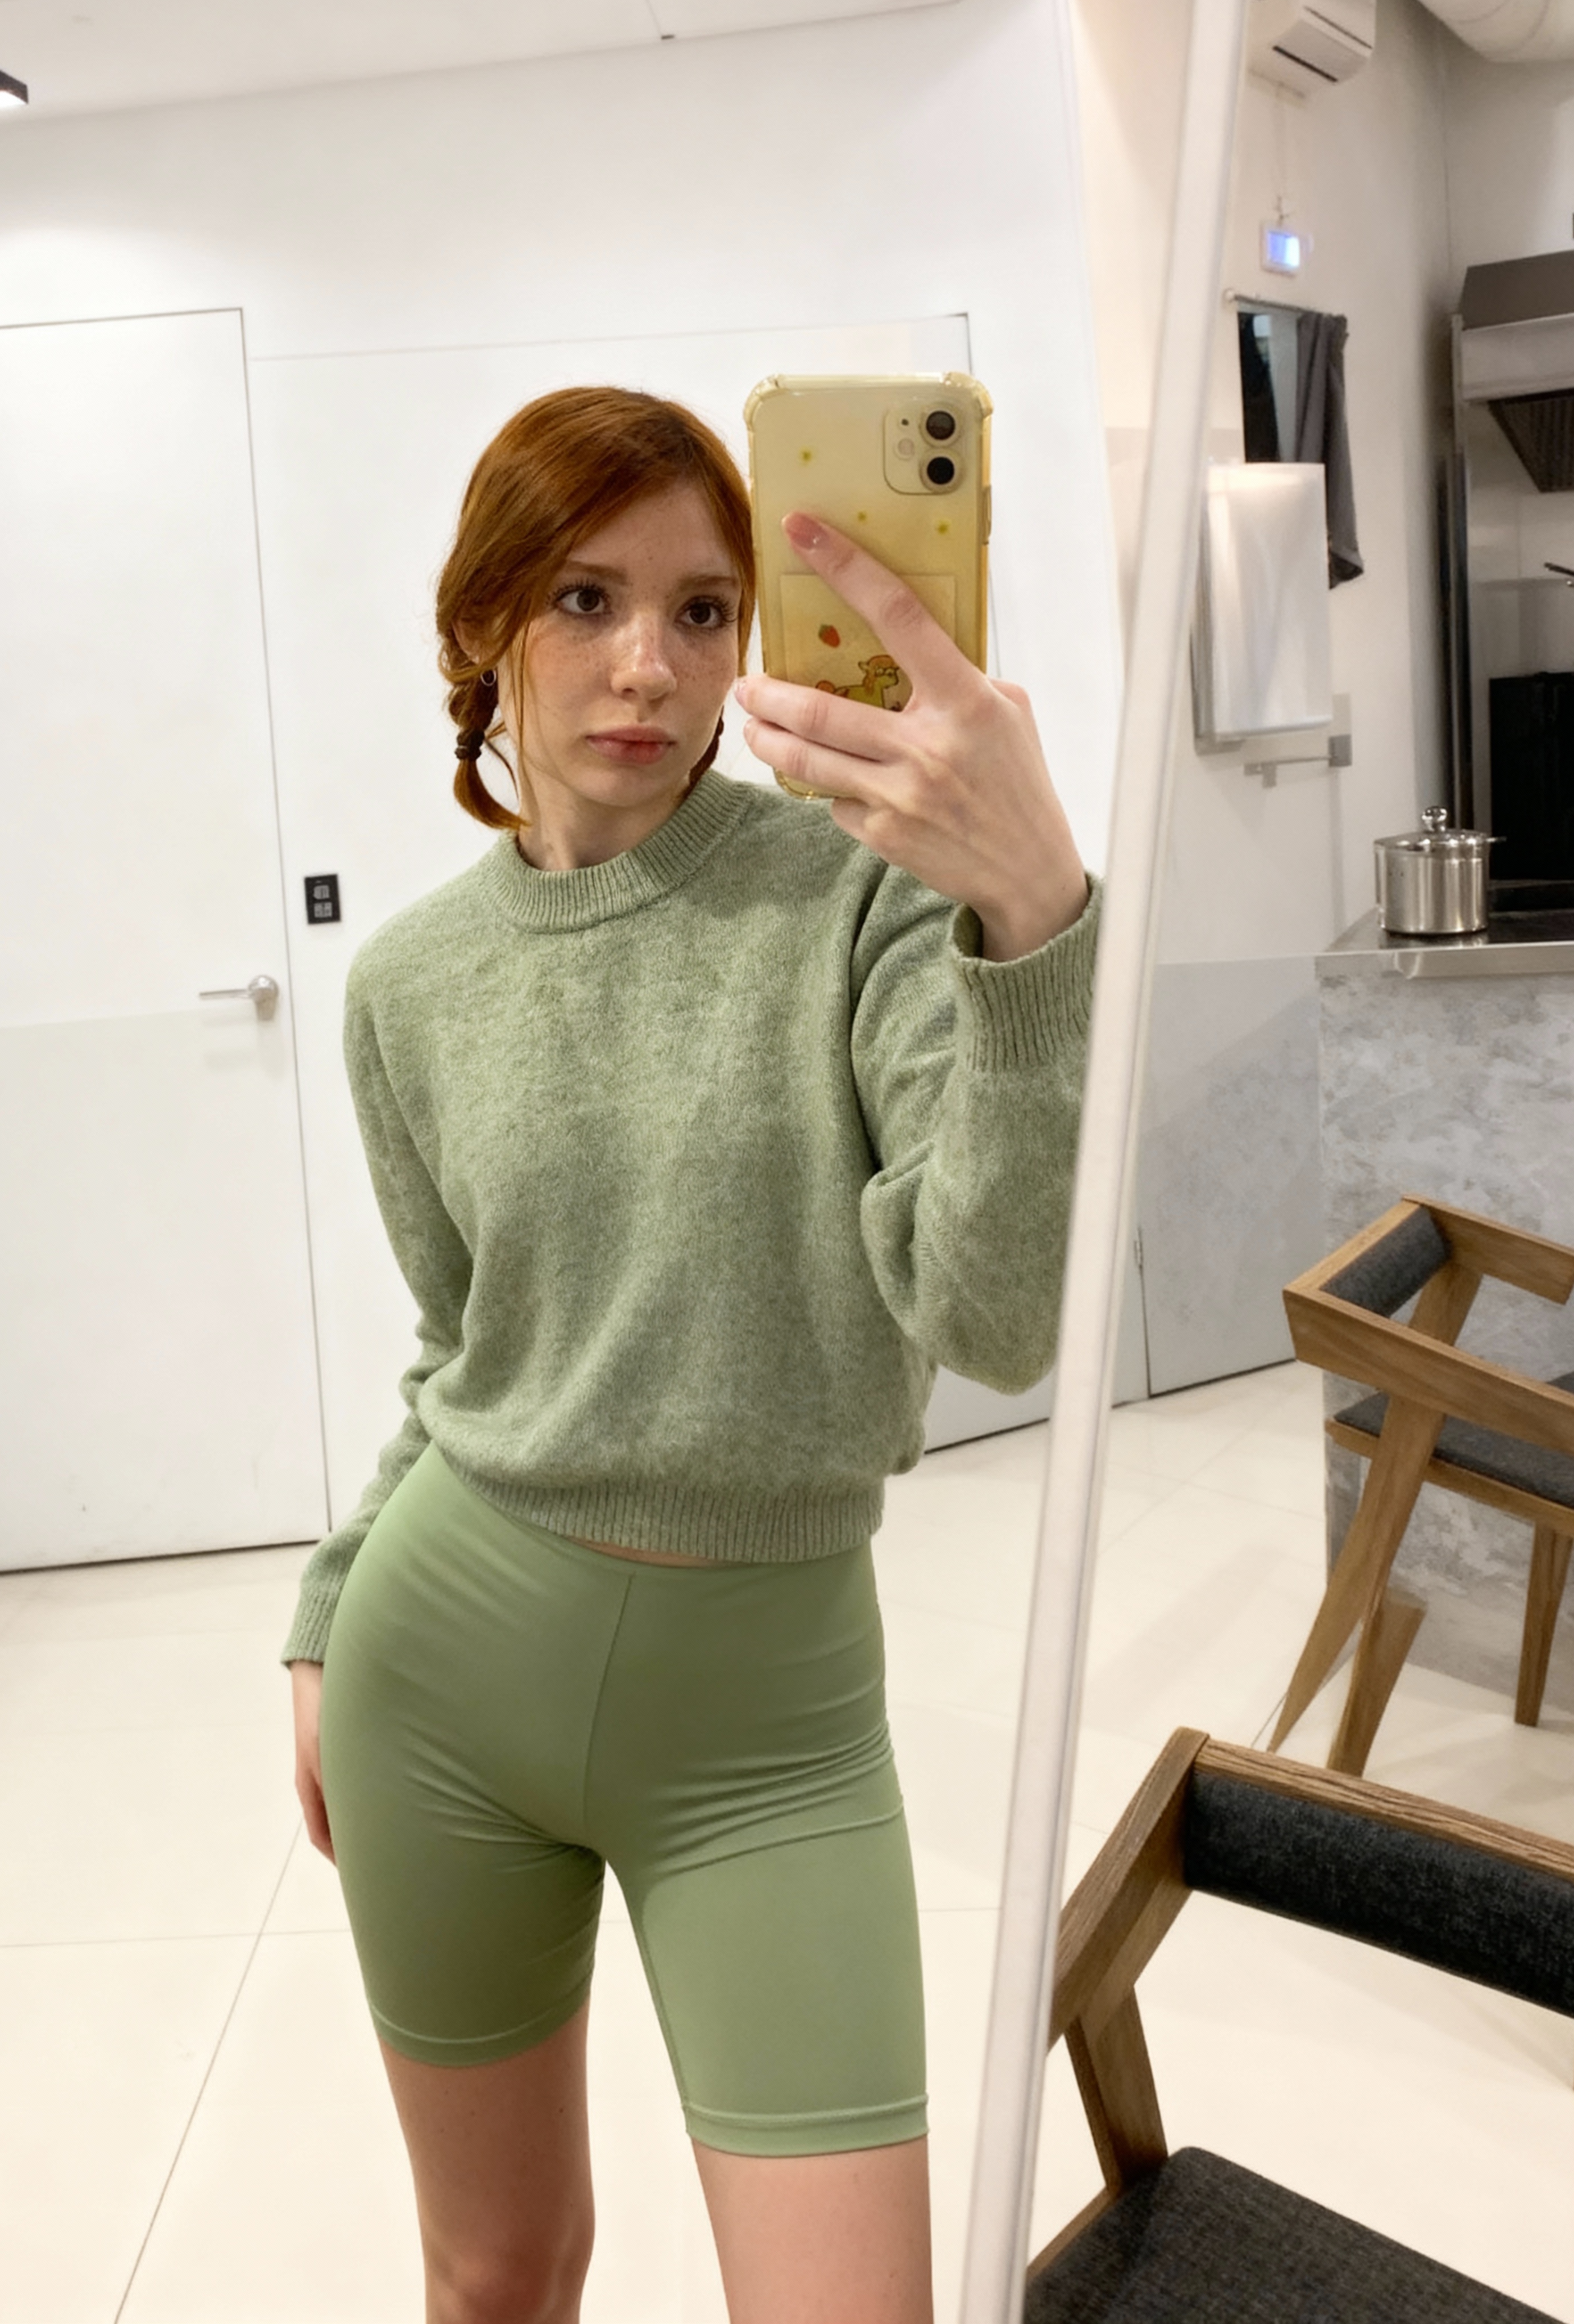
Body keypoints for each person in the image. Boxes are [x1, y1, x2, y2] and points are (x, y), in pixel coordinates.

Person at [284, 384, 1095, 2324]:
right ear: (486, 622)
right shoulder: (407, 988)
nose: (648, 665)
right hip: (439, 1680)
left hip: (772, 1734)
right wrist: (327, 1614)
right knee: (499, 2272)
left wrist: (1033, 913)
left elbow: (994, 1319)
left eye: (704, 609)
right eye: (585, 598)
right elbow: (465, 1350)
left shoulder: (861, 893)